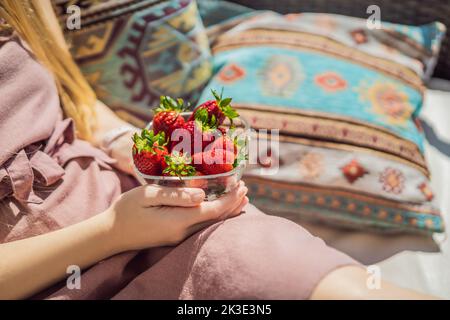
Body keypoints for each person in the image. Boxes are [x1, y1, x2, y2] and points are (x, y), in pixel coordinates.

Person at [0, 0, 436, 300]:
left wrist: (130, 147)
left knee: (278, 264)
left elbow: (75, 99)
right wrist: (115, 231)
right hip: (54, 263)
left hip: (137, 202)